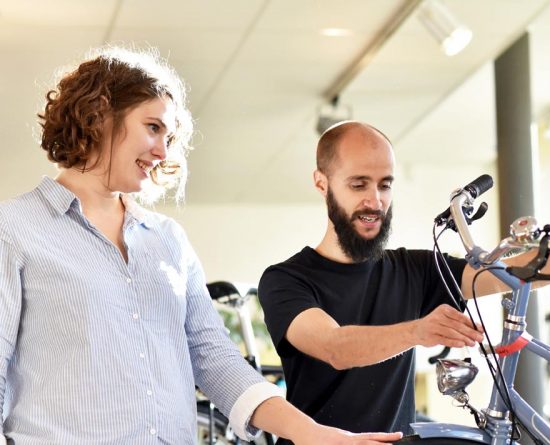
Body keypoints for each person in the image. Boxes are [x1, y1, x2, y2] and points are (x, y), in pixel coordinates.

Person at [0, 48, 401, 445]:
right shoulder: (15, 230)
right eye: (153, 127)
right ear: (99, 112)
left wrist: (313, 435)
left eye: (168, 136)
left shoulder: (167, 240)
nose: (162, 151)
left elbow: (214, 358)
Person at [258, 121, 550, 441]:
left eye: (385, 185)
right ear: (322, 183)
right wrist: (419, 331)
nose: (375, 201)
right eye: (358, 184)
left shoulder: (415, 269)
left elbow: (523, 269)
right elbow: (335, 347)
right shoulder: (286, 281)